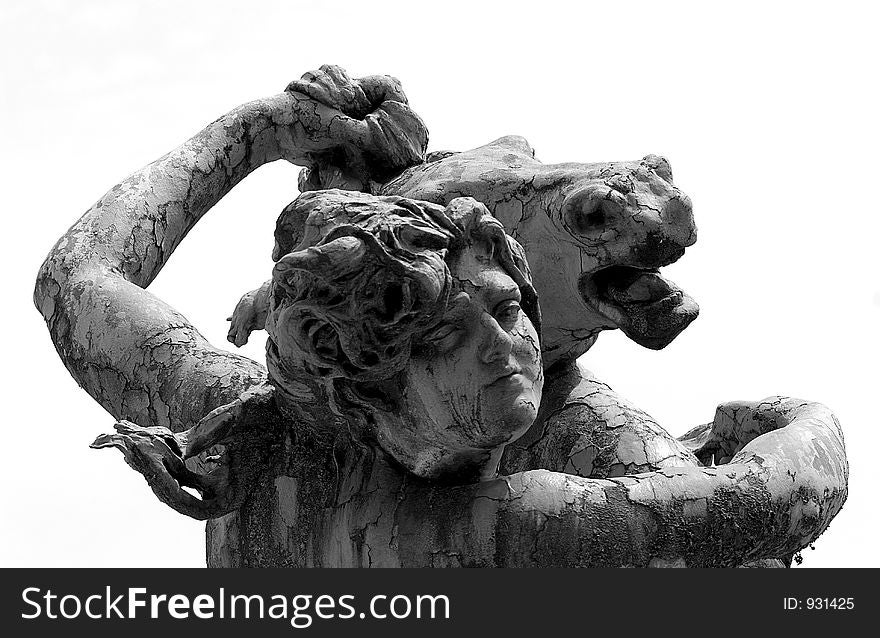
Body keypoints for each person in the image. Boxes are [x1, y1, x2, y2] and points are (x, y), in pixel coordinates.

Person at [36, 67, 848, 567]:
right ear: (367, 374)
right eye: (446, 337)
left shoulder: (234, 417)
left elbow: (79, 278)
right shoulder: (517, 525)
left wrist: (257, 134)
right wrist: (798, 417)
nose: (507, 347)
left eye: (506, 307)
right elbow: (769, 503)